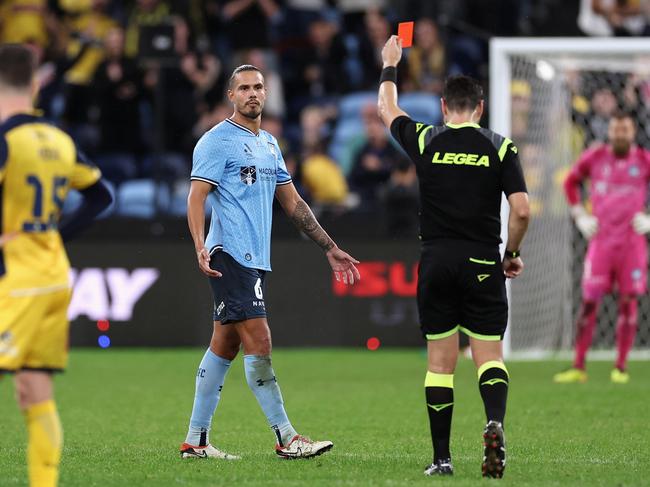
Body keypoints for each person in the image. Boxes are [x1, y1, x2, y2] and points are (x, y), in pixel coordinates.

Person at [179, 64, 360, 460]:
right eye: (243, 87)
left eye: (258, 86)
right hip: (228, 254)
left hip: (255, 258)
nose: (252, 93)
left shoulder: (270, 145)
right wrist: (198, 245)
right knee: (259, 341)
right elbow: (196, 197)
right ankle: (286, 437)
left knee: (224, 346)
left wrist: (328, 246)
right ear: (231, 95)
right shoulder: (216, 141)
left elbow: (293, 203)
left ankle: (196, 441)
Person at [377, 36, 530, 478]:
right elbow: (521, 209)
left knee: (440, 365)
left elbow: (388, 110)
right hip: (483, 262)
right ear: (480, 108)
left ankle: (442, 460)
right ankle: (494, 422)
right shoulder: (501, 148)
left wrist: (391, 65)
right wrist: (512, 253)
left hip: (437, 261)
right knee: (489, 356)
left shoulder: (427, 140)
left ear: (444, 107)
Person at [0, 43, 113, 487]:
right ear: (35, 84)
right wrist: (52, 234)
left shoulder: (6, 140)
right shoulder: (59, 138)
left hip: (17, 280)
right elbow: (102, 196)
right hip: (52, 277)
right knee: (33, 389)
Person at [554, 112, 650, 385]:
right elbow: (570, 181)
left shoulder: (643, 160)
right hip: (602, 242)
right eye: (616, 130)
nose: (620, 135)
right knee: (588, 302)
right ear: (609, 131)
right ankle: (578, 366)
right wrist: (579, 215)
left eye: (625, 130)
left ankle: (620, 367)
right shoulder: (595, 157)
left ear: (633, 132)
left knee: (629, 302)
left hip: (632, 243)